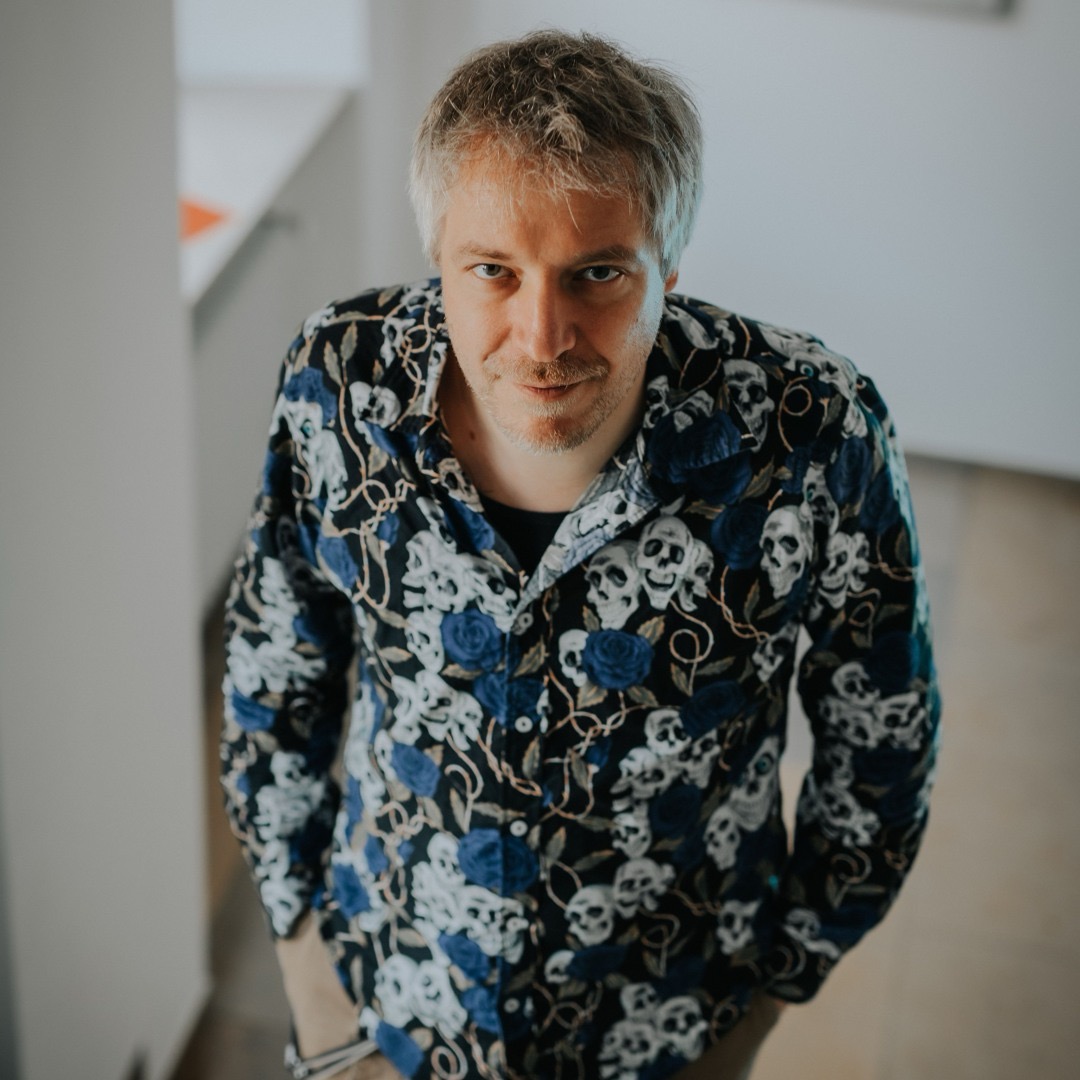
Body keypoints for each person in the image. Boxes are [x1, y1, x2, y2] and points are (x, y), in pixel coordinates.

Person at [220, 28, 940, 1080]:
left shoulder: (814, 435)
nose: (543, 336)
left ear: (668, 265)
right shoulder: (339, 387)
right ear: (438, 256)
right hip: (386, 1007)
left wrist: (759, 1014)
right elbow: (272, 677)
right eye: (492, 271)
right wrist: (312, 987)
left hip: (673, 1028)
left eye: (597, 273)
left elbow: (881, 746)